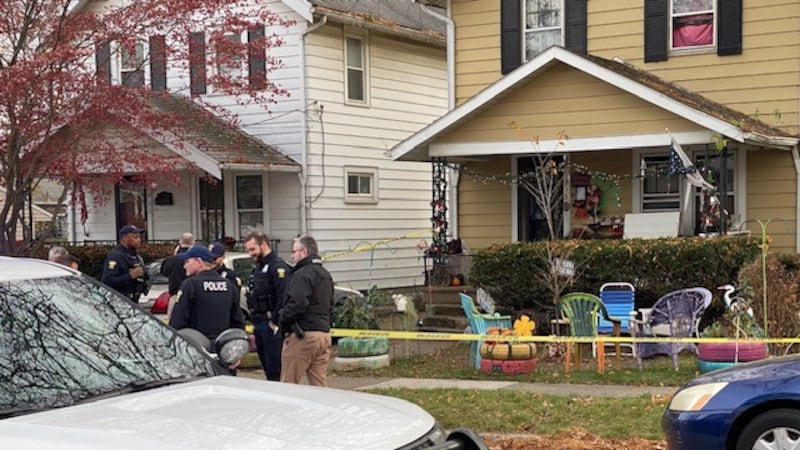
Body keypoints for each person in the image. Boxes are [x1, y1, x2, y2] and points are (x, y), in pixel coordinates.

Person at [279, 235, 333, 387]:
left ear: (303, 252)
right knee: (319, 386)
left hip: (303, 335)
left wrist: (282, 317)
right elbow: (330, 304)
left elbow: (298, 303)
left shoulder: (302, 274)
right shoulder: (325, 275)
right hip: (323, 334)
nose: (291, 255)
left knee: (288, 384)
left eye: (294, 251)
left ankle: (286, 410)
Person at [168, 244, 245, 342]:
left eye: (187, 261)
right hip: (222, 346)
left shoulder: (190, 285)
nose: (184, 266)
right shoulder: (228, 285)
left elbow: (177, 321)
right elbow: (238, 322)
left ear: (199, 262)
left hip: (196, 346)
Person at [244, 232, 290, 382]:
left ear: (263, 245)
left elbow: (283, 297)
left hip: (271, 324)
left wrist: (275, 322)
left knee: (275, 369)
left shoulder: (277, 267)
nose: (250, 254)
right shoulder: (258, 268)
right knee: (267, 368)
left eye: (252, 249)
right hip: (259, 323)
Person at [101, 225, 147, 302]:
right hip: (119, 301)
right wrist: (129, 276)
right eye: (135, 237)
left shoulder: (136, 257)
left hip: (134, 300)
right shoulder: (115, 257)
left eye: (139, 237)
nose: (139, 240)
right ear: (124, 238)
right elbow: (107, 281)